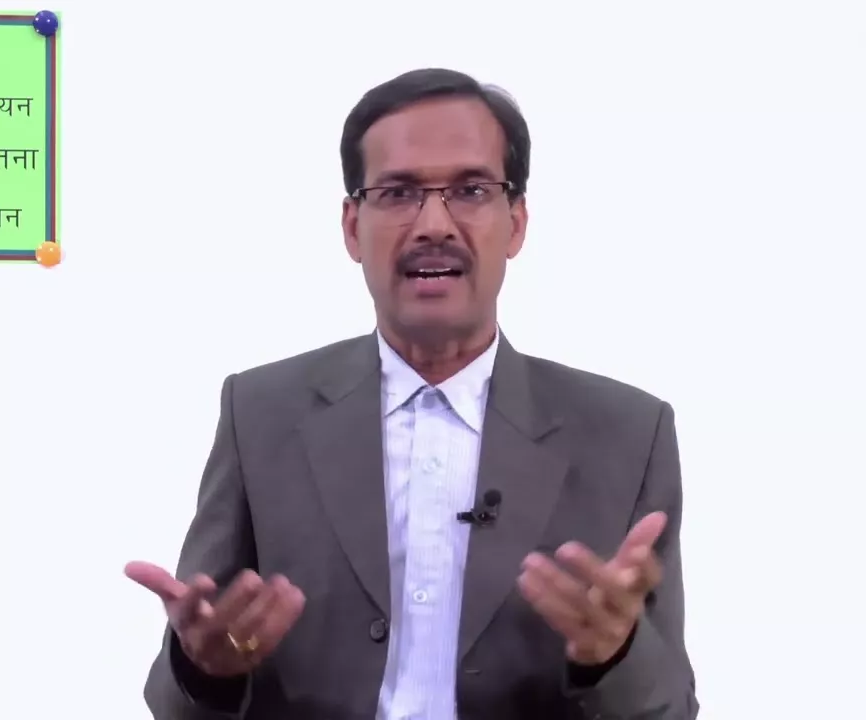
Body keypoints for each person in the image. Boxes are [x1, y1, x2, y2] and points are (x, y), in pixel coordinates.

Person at [125, 68, 699, 720]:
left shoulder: (628, 434)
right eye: (398, 193)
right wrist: (204, 672)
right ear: (352, 226)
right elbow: (177, 700)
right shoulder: (259, 415)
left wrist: (614, 656)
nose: (434, 223)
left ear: (516, 223)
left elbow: (671, 708)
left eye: (471, 190)